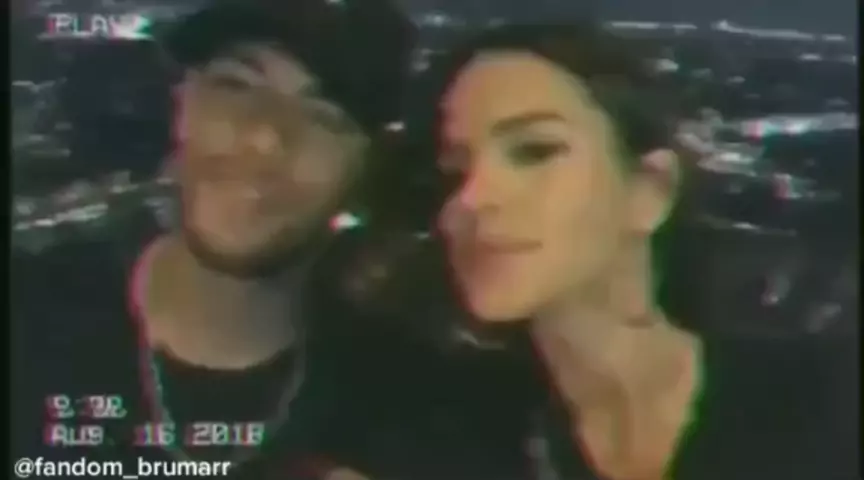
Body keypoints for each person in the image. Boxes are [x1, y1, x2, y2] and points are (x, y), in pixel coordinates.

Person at [409, 24, 859, 480]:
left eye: (535, 151)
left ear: (649, 189)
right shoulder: (442, 441)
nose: (470, 199)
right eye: (454, 172)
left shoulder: (830, 399)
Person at [14, 0, 422, 478]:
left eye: (325, 115)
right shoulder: (26, 316)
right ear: (181, 105)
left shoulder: (404, 407)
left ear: (368, 166)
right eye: (237, 85)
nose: (264, 137)